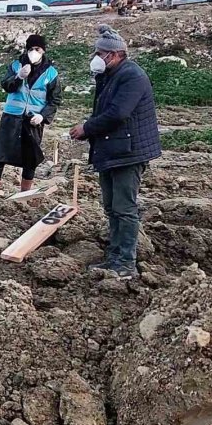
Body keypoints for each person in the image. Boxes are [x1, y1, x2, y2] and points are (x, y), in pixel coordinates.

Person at [68, 25, 162, 279]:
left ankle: (125, 262)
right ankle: (115, 255)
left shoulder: (132, 76)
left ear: (116, 54)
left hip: (128, 151)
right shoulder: (110, 75)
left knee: (124, 207)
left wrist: (87, 128)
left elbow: (118, 113)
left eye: (101, 53)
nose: (96, 58)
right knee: (111, 206)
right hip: (113, 150)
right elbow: (104, 110)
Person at [0, 35, 62, 191]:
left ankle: (25, 193)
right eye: (30, 49)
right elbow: (6, 86)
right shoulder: (16, 65)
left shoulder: (51, 73)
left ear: (43, 51)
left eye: (37, 49)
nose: (33, 52)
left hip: (32, 120)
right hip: (11, 117)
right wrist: (18, 77)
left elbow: (54, 100)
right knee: (0, 155)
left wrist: (43, 116)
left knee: (30, 158)